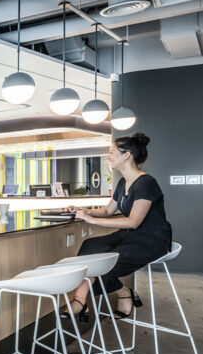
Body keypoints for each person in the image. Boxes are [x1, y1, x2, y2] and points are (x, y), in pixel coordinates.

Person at [64, 132, 172, 323]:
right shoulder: (123, 182)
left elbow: (133, 221)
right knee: (91, 247)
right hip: (129, 236)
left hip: (151, 240)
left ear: (126, 155)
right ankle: (80, 300)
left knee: (105, 265)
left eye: (111, 152)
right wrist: (82, 210)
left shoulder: (146, 183)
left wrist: (91, 220)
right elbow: (107, 211)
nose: (108, 156)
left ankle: (123, 293)